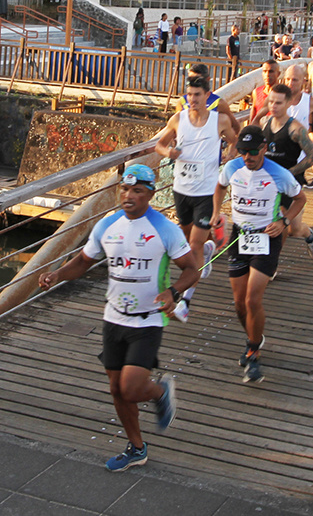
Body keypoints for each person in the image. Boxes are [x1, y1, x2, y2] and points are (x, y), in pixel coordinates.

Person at [38, 164, 197, 471]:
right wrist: (57, 274)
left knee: (131, 388)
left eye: (137, 191)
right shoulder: (107, 225)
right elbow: (84, 261)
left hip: (147, 320)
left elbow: (192, 269)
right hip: (114, 318)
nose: (129, 196)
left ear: (151, 193)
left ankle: (160, 391)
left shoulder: (165, 228)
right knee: (115, 389)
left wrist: (173, 292)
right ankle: (137, 448)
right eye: (124, 190)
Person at [212, 127, 306, 383]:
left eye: (252, 152)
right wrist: (215, 213)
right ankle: (255, 337)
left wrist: (284, 222)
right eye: (243, 151)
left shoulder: (279, 174)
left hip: (267, 237)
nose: (247, 157)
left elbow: (300, 199)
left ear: (264, 148)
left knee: (253, 299)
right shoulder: (232, 168)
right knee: (239, 303)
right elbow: (219, 187)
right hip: (240, 236)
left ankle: (253, 352)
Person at [154, 75, 238, 315]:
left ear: (207, 96)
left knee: (194, 245)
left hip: (206, 192)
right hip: (181, 191)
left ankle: (185, 301)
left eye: (197, 95)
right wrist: (169, 151)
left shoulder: (219, 120)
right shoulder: (178, 119)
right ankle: (209, 250)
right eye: (189, 95)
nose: (192, 99)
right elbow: (158, 145)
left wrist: (229, 154)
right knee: (190, 242)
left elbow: (235, 140)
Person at [258, 82, 313, 257]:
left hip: (289, 181)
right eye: (271, 101)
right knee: (270, 219)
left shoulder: (295, 129)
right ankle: (269, 261)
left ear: (288, 104)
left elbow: (312, 157)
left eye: (278, 103)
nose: (273, 106)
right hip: (268, 180)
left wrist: (288, 173)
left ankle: (307, 235)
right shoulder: (266, 122)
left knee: (292, 228)